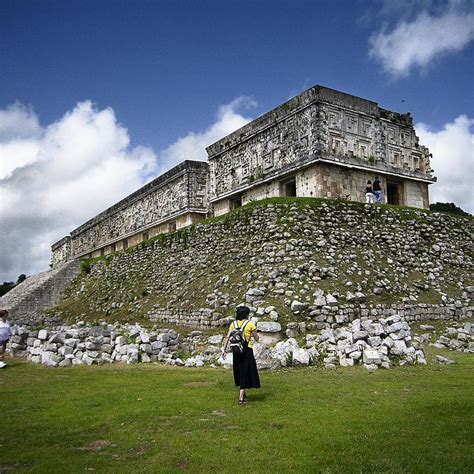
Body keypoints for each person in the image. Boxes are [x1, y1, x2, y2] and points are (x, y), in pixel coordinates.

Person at [221, 306, 260, 404]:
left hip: (236, 350)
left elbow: (227, 337)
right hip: (247, 350)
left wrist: (223, 349)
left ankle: (244, 393)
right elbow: (257, 338)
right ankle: (241, 397)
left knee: (239, 371)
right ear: (246, 314)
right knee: (246, 371)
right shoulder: (250, 324)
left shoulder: (233, 324)